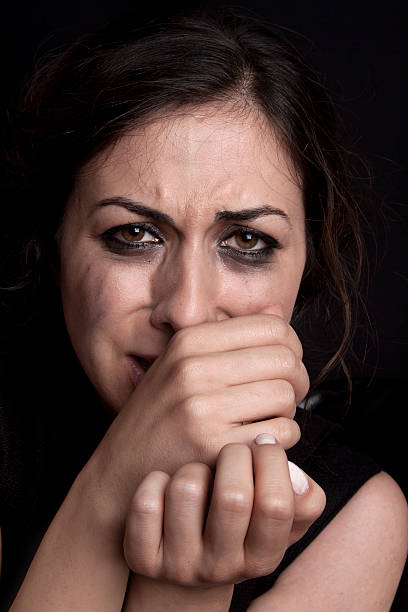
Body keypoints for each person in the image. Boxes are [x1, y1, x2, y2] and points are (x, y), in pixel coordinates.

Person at [0, 7, 406, 611]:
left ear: (307, 266)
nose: (187, 313)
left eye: (247, 242)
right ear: (55, 242)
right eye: (134, 235)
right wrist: (108, 495)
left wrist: (186, 592)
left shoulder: (355, 520)